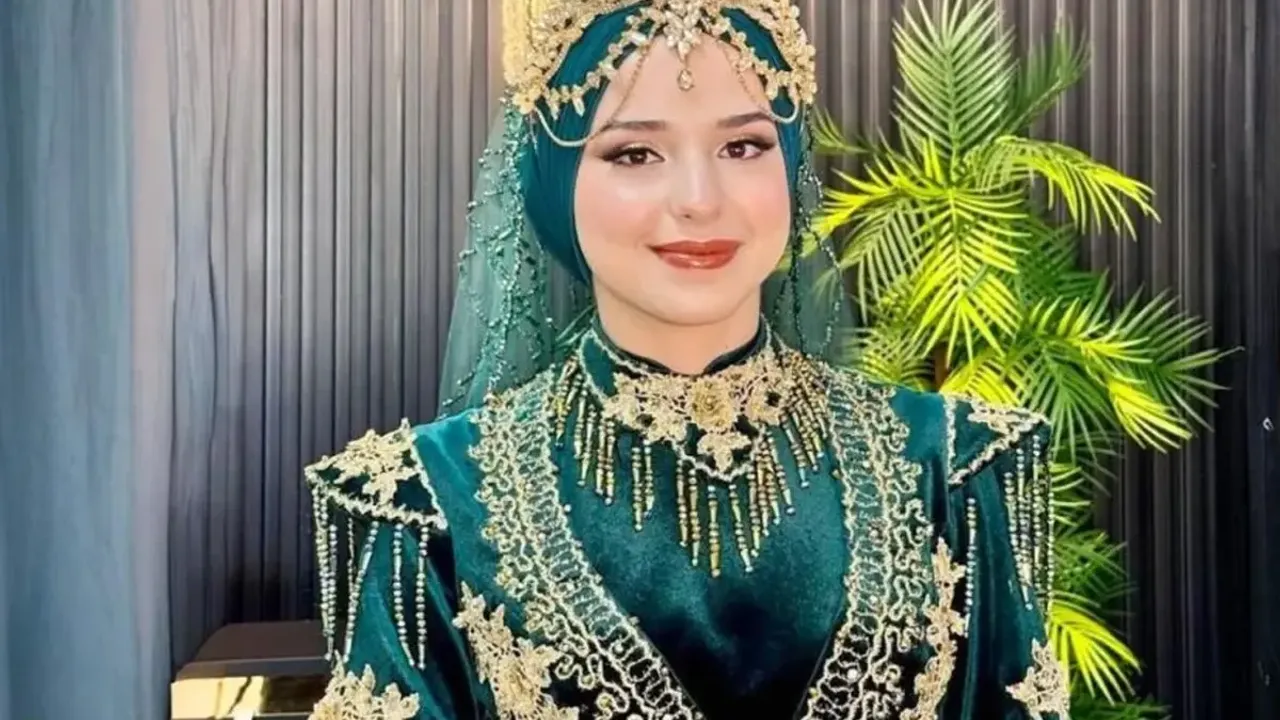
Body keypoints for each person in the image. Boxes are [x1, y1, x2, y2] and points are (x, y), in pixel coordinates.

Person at [303, 1, 1070, 718]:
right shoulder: (427, 503)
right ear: (553, 182)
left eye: (744, 146)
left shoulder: (952, 467)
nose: (700, 198)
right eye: (635, 152)